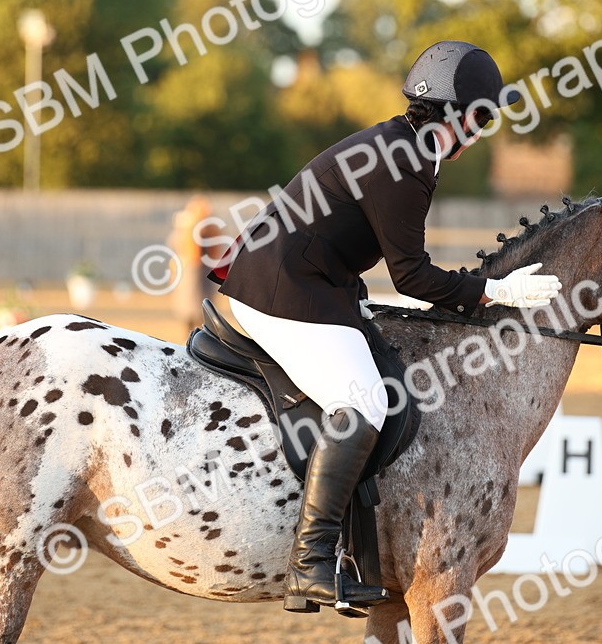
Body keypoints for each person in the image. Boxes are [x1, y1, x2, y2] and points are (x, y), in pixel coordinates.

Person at [209, 41, 562, 612]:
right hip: (280, 289)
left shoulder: (401, 143)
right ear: (463, 118)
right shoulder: (410, 163)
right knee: (367, 400)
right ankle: (312, 562)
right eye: (484, 118)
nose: (484, 132)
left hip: (312, 280)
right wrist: (497, 290)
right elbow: (413, 276)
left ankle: (361, 549)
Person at [169, 195, 222, 332]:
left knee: (200, 306)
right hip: (192, 270)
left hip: (200, 270)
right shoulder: (190, 226)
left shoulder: (209, 227)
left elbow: (210, 251)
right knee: (190, 306)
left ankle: (199, 332)